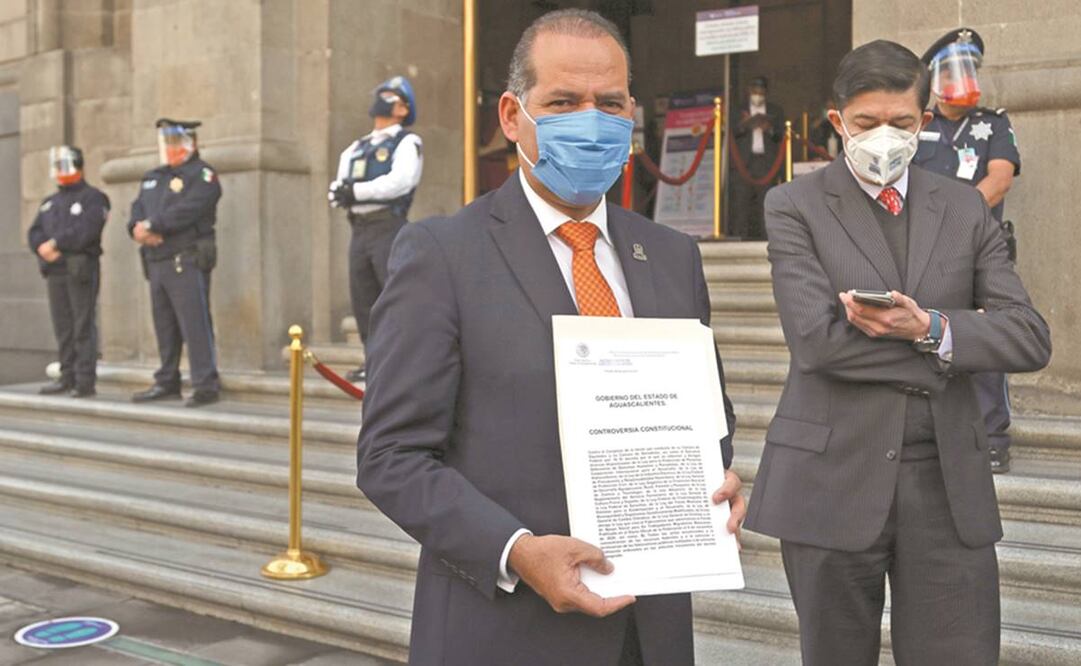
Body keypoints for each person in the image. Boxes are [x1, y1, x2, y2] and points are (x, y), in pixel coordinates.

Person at [356, 10, 744, 666]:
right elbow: (391, 456)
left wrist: (714, 480)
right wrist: (515, 550)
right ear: (513, 116)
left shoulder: (671, 254)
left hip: (648, 632)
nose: (590, 120)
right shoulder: (442, 254)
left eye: (609, 103)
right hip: (504, 631)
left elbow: (710, 419)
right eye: (563, 102)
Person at [744, 40, 1050, 665]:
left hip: (947, 485)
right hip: (831, 481)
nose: (883, 137)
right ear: (837, 123)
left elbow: (1028, 335)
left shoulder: (963, 207)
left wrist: (931, 328)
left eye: (901, 123)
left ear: (925, 122)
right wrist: (949, 352)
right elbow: (818, 342)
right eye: (865, 123)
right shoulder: (794, 205)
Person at [914, 28, 1022, 473]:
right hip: (921, 249)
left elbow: (999, 179)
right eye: (955, 70)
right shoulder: (918, 126)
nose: (964, 80)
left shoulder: (993, 123)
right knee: (925, 338)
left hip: (979, 248)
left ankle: (992, 438)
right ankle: (929, 435)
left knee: (983, 340)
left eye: (970, 69)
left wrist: (957, 221)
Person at [329, 76, 423, 383]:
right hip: (360, 229)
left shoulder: (407, 142)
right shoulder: (356, 147)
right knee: (364, 300)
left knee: (391, 297)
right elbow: (340, 182)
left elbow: (401, 181)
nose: (383, 99)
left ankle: (400, 363)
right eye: (382, 94)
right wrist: (340, 193)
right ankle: (374, 361)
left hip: (388, 226)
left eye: (392, 96)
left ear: (402, 109)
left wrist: (356, 192)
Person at [128, 118, 223, 408]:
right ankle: (167, 380)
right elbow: (136, 209)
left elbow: (189, 210)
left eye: (174, 143)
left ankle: (205, 383)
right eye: (166, 144)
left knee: (194, 322)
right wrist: (137, 228)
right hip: (156, 260)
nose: (169, 150)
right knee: (164, 324)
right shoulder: (153, 176)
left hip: (186, 258)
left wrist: (155, 225)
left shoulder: (202, 175)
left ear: (189, 144)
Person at [27, 145, 109, 398]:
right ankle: (67, 375)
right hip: (56, 272)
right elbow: (35, 231)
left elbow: (86, 230)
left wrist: (56, 244)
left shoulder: (93, 197)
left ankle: (84, 380)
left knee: (82, 324)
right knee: (63, 326)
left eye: (65, 165)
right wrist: (42, 246)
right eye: (57, 167)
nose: (61, 172)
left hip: (79, 270)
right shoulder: (50, 203)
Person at [729, 75, 785, 239]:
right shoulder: (737, 110)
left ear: (766, 92)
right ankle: (740, 238)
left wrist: (769, 128)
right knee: (741, 202)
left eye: (760, 91)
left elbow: (781, 136)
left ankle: (767, 239)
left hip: (766, 163)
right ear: (748, 91)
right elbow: (732, 133)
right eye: (754, 90)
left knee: (766, 203)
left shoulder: (775, 111)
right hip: (743, 162)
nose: (757, 94)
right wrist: (744, 125)